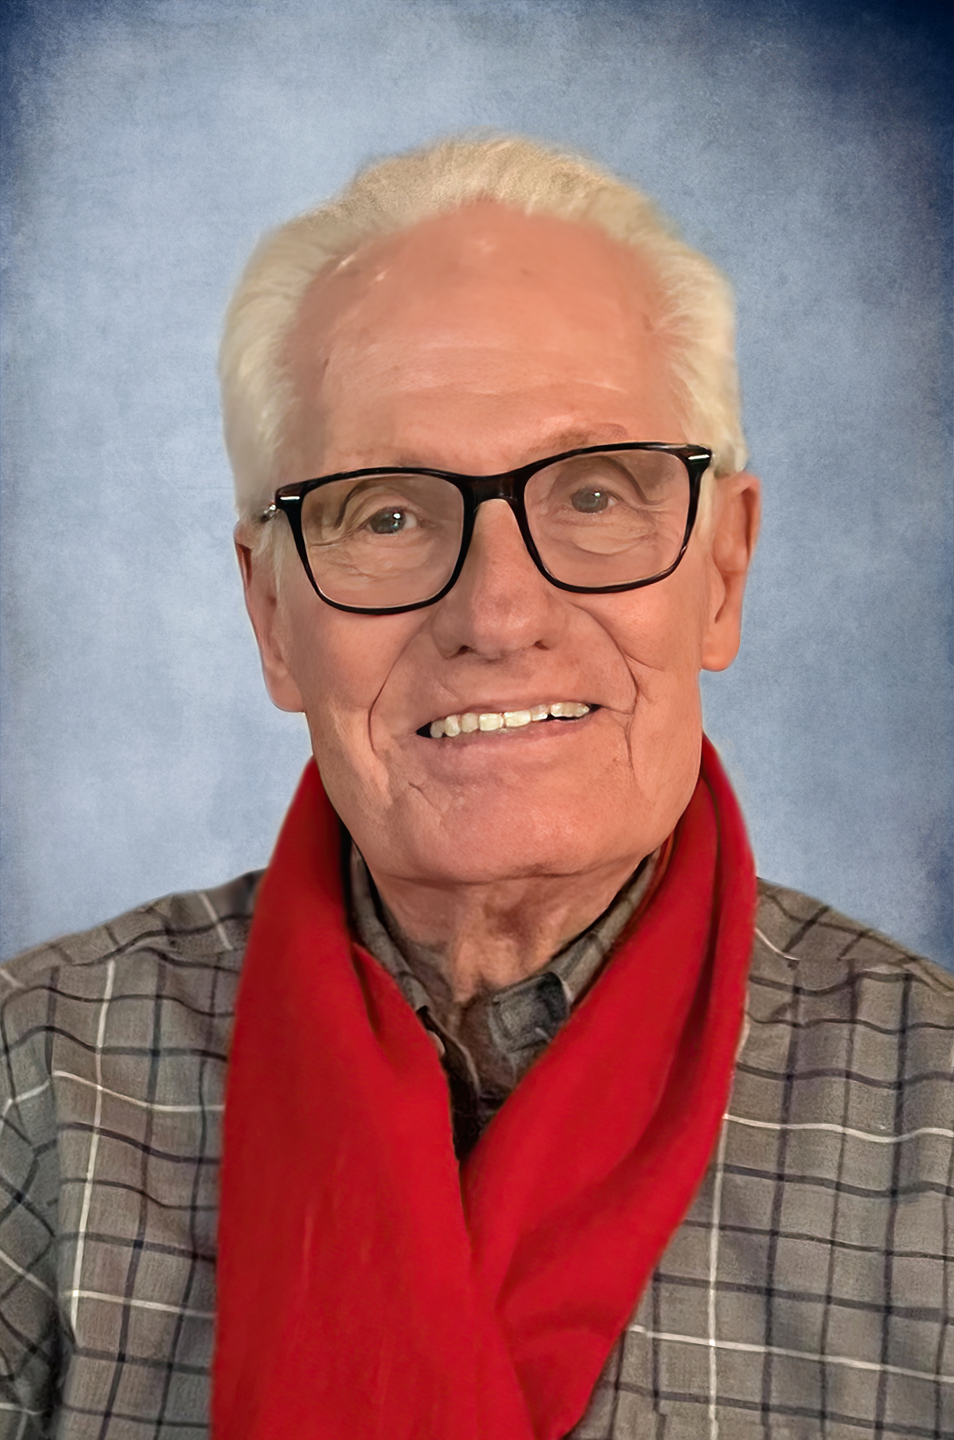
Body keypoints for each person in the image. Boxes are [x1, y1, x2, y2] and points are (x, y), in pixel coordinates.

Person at [1, 134, 951, 1440]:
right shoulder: (35, 1086)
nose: (498, 614)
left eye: (594, 496)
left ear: (723, 572)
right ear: (271, 616)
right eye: (387, 515)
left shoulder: (937, 1128)